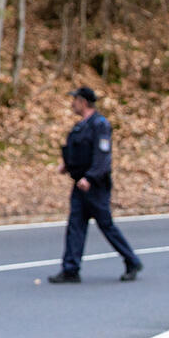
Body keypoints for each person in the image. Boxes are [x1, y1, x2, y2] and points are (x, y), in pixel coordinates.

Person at [48, 86, 143, 284]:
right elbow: (78, 151)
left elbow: (103, 157)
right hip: (79, 183)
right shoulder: (79, 126)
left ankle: (132, 261)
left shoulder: (100, 125)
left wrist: (90, 178)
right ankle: (70, 269)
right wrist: (67, 165)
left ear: (83, 102)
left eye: (75, 100)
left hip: (95, 185)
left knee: (106, 226)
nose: (72, 103)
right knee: (75, 225)